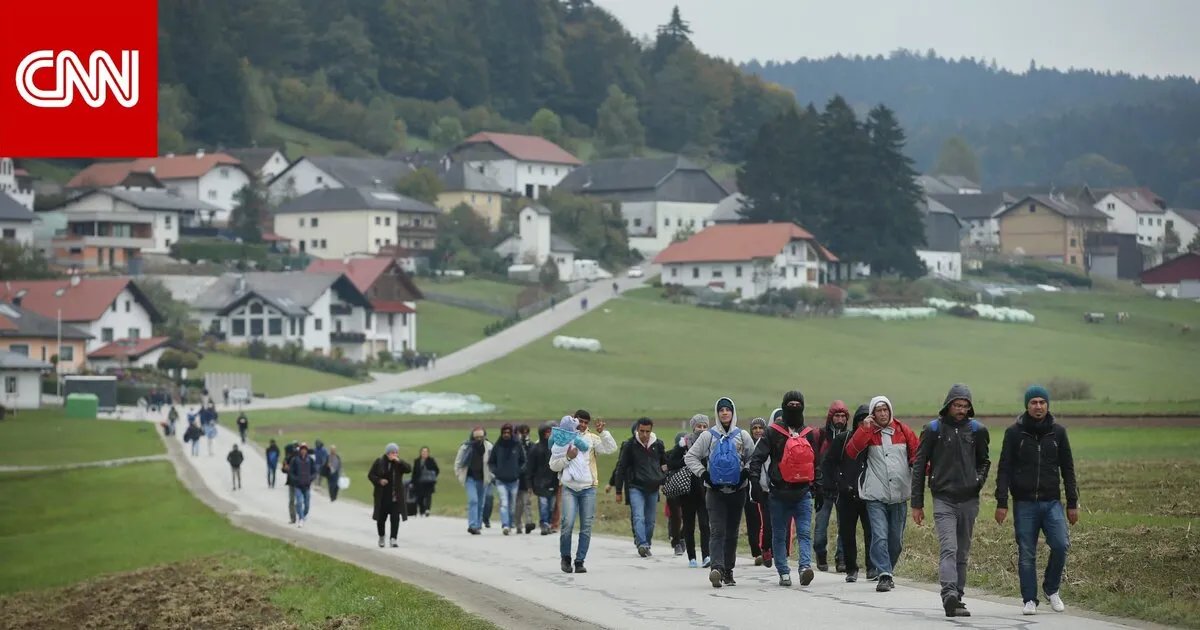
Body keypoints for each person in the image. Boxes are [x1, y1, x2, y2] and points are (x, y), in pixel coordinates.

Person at [995, 385, 1079, 616]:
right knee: (1027, 552)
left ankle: (1051, 589)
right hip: (1024, 503)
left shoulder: (1058, 433)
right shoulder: (1014, 433)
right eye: (1034, 402)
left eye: (1042, 402)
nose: (1038, 406)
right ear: (1027, 405)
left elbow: (1068, 469)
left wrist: (1072, 503)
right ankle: (1029, 599)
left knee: (1061, 545)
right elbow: (1004, 468)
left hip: (1052, 502)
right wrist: (1002, 502)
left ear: (1048, 405)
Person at [912, 384, 991, 617]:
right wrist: (916, 503)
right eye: (957, 405)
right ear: (948, 405)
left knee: (962, 552)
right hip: (943, 498)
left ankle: (958, 595)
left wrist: (977, 481)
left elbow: (984, 461)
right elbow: (919, 465)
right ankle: (948, 595)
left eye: (965, 406)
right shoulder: (933, 429)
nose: (961, 410)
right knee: (949, 547)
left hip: (969, 499)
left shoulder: (977, 430)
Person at [845, 396, 919, 593]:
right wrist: (864, 429)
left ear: (890, 411)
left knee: (896, 541)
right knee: (879, 536)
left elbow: (917, 456)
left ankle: (887, 571)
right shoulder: (868, 432)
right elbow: (852, 451)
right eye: (878, 410)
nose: (883, 413)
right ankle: (884, 574)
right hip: (875, 494)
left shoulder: (904, 430)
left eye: (885, 409)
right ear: (873, 413)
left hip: (900, 495)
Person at [750, 391, 823, 588]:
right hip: (792, 493)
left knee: (790, 534)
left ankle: (794, 570)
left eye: (796, 404)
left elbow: (757, 459)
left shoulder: (775, 431)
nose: (794, 407)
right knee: (793, 534)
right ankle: (794, 569)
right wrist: (755, 483)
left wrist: (755, 482)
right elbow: (817, 463)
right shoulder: (802, 432)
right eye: (790, 404)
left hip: (789, 493)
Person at [686, 397, 757, 588]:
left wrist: (745, 473)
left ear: (733, 412)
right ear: (716, 414)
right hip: (714, 491)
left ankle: (728, 571)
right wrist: (704, 475)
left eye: (728, 409)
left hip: (738, 490)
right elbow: (690, 456)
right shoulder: (707, 436)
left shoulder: (742, 435)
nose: (724, 413)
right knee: (717, 530)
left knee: (732, 532)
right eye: (721, 410)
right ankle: (716, 569)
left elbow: (754, 457)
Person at [549, 413, 617, 574]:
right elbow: (553, 466)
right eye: (580, 421)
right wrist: (567, 458)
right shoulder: (562, 438)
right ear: (574, 420)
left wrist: (603, 433)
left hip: (589, 488)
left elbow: (611, 448)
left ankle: (580, 561)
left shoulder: (592, 438)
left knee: (586, 526)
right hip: (569, 488)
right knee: (568, 523)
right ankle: (565, 557)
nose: (583, 424)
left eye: (586, 422)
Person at [823, 404, 876, 583]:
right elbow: (829, 463)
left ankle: (872, 567)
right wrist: (837, 484)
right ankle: (851, 568)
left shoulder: (874, 441)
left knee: (871, 533)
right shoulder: (844, 439)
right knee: (847, 533)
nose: (864, 424)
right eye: (860, 421)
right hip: (846, 494)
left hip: (869, 495)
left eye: (867, 420)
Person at [614, 417, 667, 557]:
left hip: (653, 487)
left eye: (647, 431)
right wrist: (618, 490)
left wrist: (664, 479)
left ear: (651, 431)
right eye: (641, 431)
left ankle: (646, 544)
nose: (644, 435)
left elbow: (664, 464)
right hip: (635, 486)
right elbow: (621, 467)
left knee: (650, 520)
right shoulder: (630, 445)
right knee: (638, 516)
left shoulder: (658, 445)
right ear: (637, 429)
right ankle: (642, 544)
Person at [672, 414, 712, 568]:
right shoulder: (684, 443)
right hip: (687, 491)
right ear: (693, 427)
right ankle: (692, 557)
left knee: (704, 524)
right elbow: (672, 462)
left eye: (704, 426)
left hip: (705, 490)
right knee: (689, 525)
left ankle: (707, 555)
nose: (701, 430)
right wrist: (687, 459)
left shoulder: (711, 443)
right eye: (699, 426)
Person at [814, 401, 850, 572]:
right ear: (830, 417)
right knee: (821, 527)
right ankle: (820, 553)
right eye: (837, 415)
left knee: (844, 526)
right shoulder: (819, 436)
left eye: (843, 416)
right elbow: (813, 461)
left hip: (843, 489)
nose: (840, 419)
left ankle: (841, 558)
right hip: (823, 488)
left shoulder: (851, 437)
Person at [369, 443, 413, 547]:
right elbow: (370, 475)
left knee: (395, 518)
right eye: (393, 452)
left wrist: (399, 461)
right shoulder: (379, 462)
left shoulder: (399, 464)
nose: (395, 454)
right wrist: (379, 481)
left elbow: (409, 469)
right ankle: (381, 537)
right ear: (387, 453)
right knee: (381, 519)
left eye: (396, 452)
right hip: (383, 497)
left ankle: (393, 539)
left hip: (395, 497)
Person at [487, 423, 527, 536]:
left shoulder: (517, 445)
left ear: (511, 433)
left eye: (508, 433)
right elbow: (491, 462)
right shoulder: (498, 446)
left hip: (514, 480)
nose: (506, 435)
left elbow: (523, 461)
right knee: (504, 503)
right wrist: (496, 471)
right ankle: (505, 525)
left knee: (512, 505)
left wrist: (518, 471)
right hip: (501, 480)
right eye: (504, 433)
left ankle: (510, 524)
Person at [743, 417, 772, 568]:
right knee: (752, 521)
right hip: (748, 489)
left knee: (765, 521)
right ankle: (756, 552)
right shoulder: (747, 446)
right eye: (755, 428)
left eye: (760, 428)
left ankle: (765, 548)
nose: (758, 431)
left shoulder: (768, 445)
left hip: (764, 489)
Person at [455, 427, 494, 535]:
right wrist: (459, 475)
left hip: (483, 478)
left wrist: (491, 476)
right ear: (472, 437)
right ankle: (472, 525)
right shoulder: (466, 447)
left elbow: (493, 462)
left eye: (481, 437)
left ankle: (477, 524)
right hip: (470, 478)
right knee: (473, 501)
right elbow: (458, 462)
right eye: (476, 437)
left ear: (484, 436)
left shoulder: (489, 447)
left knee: (480, 503)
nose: (479, 440)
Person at [525, 423, 559, 535]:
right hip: (540, 483)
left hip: (554, 481)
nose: (548, 435)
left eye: (550, 432)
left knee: (551, 506)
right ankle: (544, 524)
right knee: (544, 505)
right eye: (546, 432)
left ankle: (548, 523)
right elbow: (530, 468)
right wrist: (529, 485)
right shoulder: (535, 448)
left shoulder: (556, 448)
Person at [288, 442, 318, 527]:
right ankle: (301, 518)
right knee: (299, 502)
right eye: (302, 449)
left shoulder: (310, 460)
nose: (303, 451)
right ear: (300, 450)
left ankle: (303, 515)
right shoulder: (295, 460)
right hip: (298, 485)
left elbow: (315, 472)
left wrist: (310, 478)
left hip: (307, 485)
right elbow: (291, 472)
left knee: (307, 504)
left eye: (305, 449)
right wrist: (295, 479)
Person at [514, 424, 535, 534]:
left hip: (527, 479)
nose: (524, 435)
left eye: (526, 432)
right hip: (517, 478)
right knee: (518, 504)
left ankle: (529, 523)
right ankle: (518, 524)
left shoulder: (531, 446)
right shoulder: (515, 446)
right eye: (522, 432)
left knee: (527, 502)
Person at [412, 446, 440, 517]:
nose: (424, 453)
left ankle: (427, 510)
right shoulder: (417, 461)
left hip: (428, 482)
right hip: (419, 483)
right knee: (420, 497)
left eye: (426, 452)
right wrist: (413, 482)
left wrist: (432, 476)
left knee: (428, 496)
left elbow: (437, 470)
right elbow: (414, 472)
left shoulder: (431, 460)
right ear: (420, 453)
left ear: (428, 453)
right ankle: (422, 510)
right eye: (423, 452)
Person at [283, 440, 298, 523]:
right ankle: (293, 517)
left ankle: (297, 514)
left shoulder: (301, 458)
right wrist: (285, 468)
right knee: (292, 500)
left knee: (298, 501)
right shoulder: (288, 457)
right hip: (291, 482)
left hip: (299, 482)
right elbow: (284, 469)